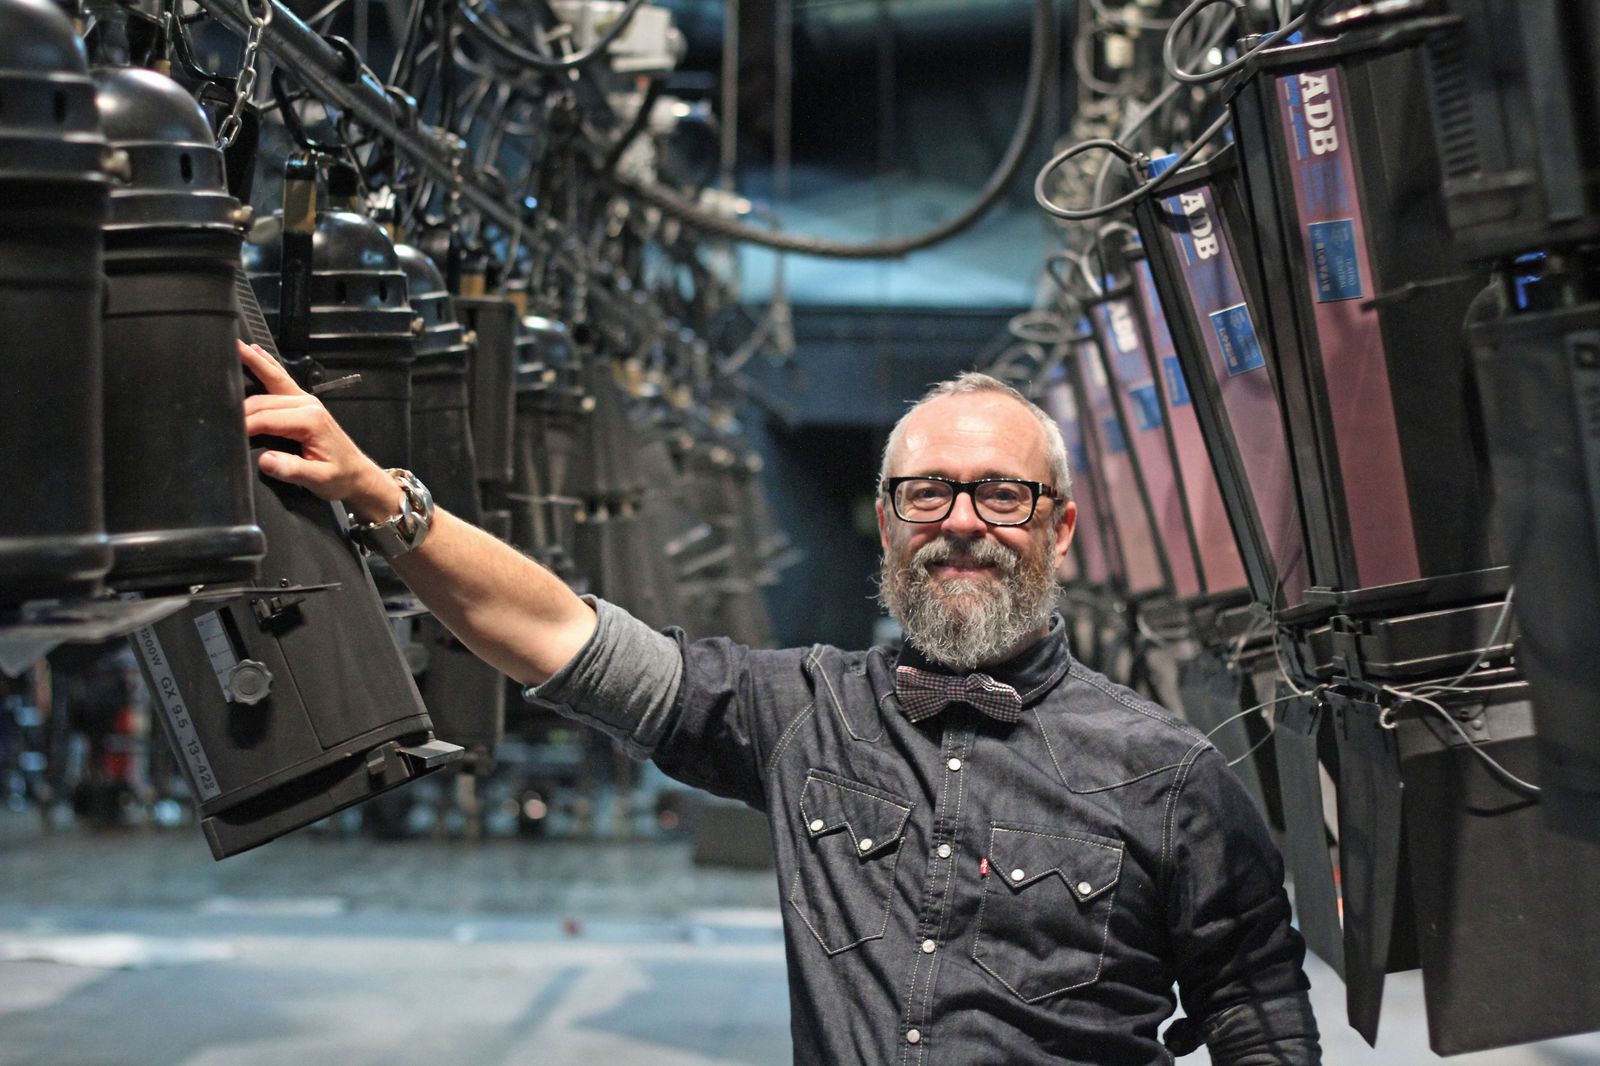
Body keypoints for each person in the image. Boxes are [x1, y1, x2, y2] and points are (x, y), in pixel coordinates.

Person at [239, 340, 1320, 1065]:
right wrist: (379, 495)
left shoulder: (1168, 774)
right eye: (925, 493)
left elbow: (1260, 1019)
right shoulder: (802, 714)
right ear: (888, 522)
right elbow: (561, 636)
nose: (961, 521)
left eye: (1001, 493)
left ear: (1060, 527)